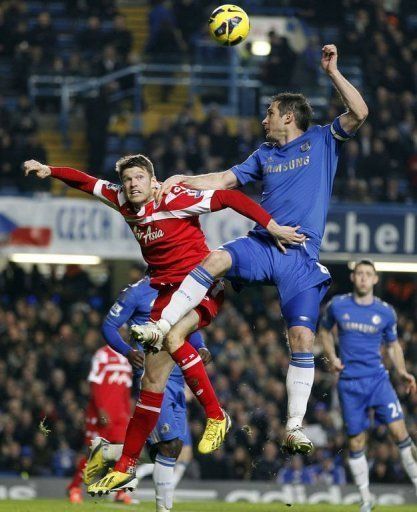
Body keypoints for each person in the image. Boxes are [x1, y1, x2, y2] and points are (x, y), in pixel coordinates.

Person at [131, 44, 369, 455]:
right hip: (264, 244)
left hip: (300, 254)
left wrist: (333, 73)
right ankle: (162, 325)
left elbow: (360, 113)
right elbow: (224, 180)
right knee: (216, 258)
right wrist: (182, 178)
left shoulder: (322, 139)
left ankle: (294, 426)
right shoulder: (264, 154)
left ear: (288, 117)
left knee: (301, 338)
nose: (264, 120)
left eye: (270, 113)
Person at [24, 155, 302, 494]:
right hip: (167, 295)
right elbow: (85, 182)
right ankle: (125, 466)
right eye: (128, 180)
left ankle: (216, 415)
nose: (133, 184)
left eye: (139, 177)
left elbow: (230, 197)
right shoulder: (123, 201)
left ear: (154, 181)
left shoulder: (175, 198)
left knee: (172, 337)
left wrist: (271, 226)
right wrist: (49, 170)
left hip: (202, 286)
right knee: (151, 380)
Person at [84, 275, 209, 511]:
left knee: (170, 449)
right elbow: (109, 326)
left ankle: (109, 453)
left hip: (179, 375)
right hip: (153, 376)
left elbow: (190, 326)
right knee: (169, 445)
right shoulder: (137, 292)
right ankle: (164, 509)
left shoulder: (181, 288)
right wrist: (128, 351)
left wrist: (201, 347)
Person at [319, 259, 417, 512]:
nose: (363, 277)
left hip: (378, 381)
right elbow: (325, 331)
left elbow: (393, 346)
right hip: (350, 384)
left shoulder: (386, 312)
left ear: (375, 279)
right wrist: (332, 356)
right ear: (353, 278)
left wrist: (403, 371)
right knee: (356, 443)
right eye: (359, 273)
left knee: (400, 434)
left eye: (368, 274)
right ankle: (366, 500)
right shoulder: (338, 305)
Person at [67, 344, 133, 504]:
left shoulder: (127, 357)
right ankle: (74, 487)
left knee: (124, 452)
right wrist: (101, 409)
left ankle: (120, 492)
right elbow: (95, 384)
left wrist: (127, 413)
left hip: (120, 414)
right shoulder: (102, 354)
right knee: (94, 452)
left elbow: (126, 390)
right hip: (101, 413)